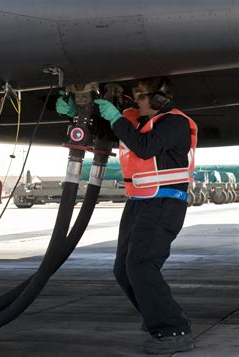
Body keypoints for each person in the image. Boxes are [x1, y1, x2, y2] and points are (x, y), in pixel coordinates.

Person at [56, 77, 197, 354]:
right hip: (139, 203)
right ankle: (161, 314)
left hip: (164, 202)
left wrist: (116, 118)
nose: (137, 102)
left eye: (143, 97)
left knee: (142, 264)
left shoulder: (174, 123)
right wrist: (75, 112)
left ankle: (173, 330)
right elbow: (109, 128)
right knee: (123, 269)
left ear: (159, 100)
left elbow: (144, 147)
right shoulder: (136, 120)